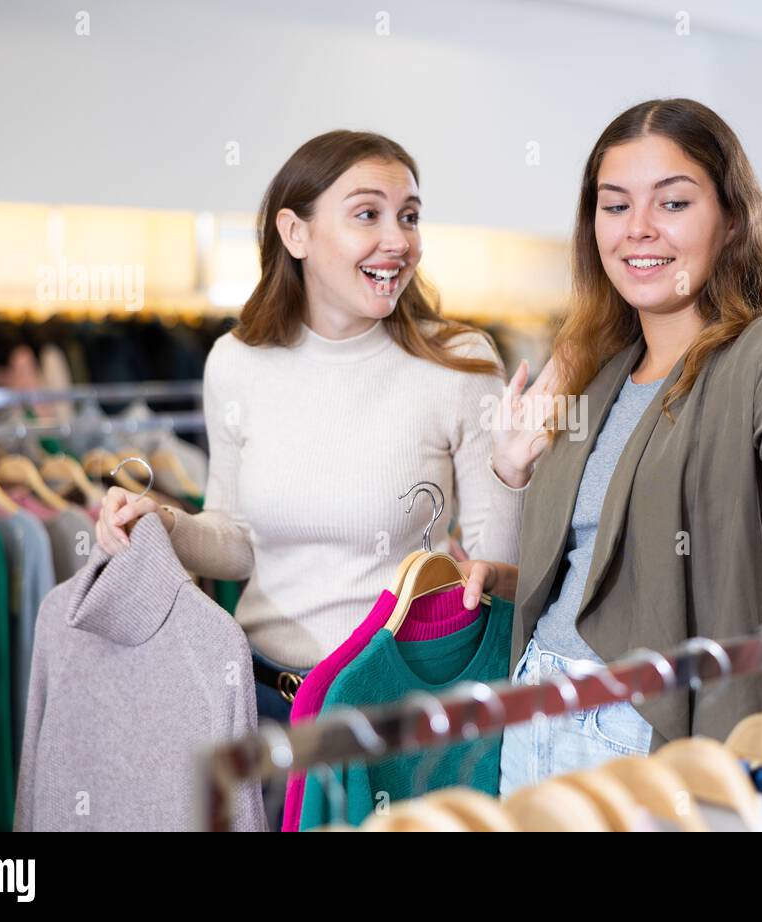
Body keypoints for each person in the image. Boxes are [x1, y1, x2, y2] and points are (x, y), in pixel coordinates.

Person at [457, 98, 762, 793]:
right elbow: (599, 563)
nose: (638, 230)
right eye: (614, 206)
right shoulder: (597, 370)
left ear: (732, 219)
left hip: (646, 734)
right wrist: (508, 575)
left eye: (673, 203)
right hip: (533, 709)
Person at [96, 131, 532, 731]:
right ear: (294, 232)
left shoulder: (458, 363)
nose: (398, 241)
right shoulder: (236, 361)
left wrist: (513, 474)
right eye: (367, 214)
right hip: (256, 695)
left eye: (409, 217)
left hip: (391, 702)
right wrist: (162, 522)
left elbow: (494, 573)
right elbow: (238, 541)